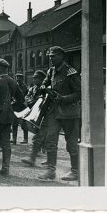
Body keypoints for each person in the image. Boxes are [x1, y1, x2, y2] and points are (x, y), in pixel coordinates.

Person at [37, 46, 81, 181]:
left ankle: (75, 171)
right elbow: (44, 84)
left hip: (69, 112)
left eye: (53, 56)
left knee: (71, 142)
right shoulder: (51, 71)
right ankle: (50, 171)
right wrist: (44, 87)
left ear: (62, 56)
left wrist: (63, 99)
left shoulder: (70, 72)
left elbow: (79, 93)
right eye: (49, 56)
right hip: (54, 112)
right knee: (50, 140)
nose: (50, 58)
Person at [21, 70, 49, 167]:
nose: (34, 79)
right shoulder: (32, 88)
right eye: (33, 78)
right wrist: (30, 101)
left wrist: (31, 100)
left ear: (42, 79)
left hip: (45, 113)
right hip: (36, 112)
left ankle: (35, 157)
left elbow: (40, 99)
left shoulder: (45, 88)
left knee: (44, 135)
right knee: (40, 133)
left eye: (36, 78)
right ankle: (36, 156)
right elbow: (28, 98)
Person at [11, 73, 29, 144]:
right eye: (17, 78)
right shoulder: (14, 86)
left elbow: (26, 97)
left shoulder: (25, 87)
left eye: (20, 78)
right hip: (15, 107)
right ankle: (14, 139)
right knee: (14, 123)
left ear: (22, 79)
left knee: (23, 123)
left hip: (22, 108)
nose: (18, 79)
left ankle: (25, 139)